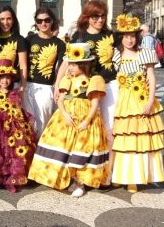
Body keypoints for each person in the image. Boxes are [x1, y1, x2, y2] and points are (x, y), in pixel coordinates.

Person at [28, 43, 109, 198]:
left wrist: (87, 120)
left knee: (82, 148)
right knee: (61, 145)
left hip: (86, 119)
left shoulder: (95, 80)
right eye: (69, 64)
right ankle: (59, 176)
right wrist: (64, 114)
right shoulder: (67, 79)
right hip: (66, 118)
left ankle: (80, 182)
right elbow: (60, 100)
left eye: (74, 64)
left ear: (84, 64)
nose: (70, 67)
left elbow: (95, 104)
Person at [65, 0, 117, 186]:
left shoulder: (111, 36)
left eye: (103, 16)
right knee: (85, 130)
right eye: (96, 16)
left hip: (110, 85)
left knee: (110, 131)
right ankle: (82, 173)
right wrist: (59, 85)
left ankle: (107, 174)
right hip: (85, 89)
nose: (100, 20)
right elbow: (68, 61)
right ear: (87, 17)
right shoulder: (78, 36)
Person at [111, 14, 164, 193]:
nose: (129, 40)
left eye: (132, 36)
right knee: (124, 138)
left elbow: (151, 76)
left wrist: (150, 100)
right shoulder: (116, 56)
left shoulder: (145, 53)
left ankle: (135, 177)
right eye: (125, 36)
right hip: (124, 100)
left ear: (137, 37)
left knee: (140, 138)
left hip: (140, 98)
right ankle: (121, 175)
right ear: (121, 38)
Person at [0, 59, 36, 193]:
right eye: (2, 78)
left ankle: (10, 176)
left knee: (11, 153)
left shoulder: (15, 94)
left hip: (12, 129)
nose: (5, 81)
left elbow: (19, 110)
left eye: (7, 78)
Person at [24, 6, 67, 138]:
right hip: (27, 86)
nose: (43, 23)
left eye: (47, 20)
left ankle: (40, 155)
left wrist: (57, 86)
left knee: (43, 125)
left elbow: (62, 66)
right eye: (39, 20)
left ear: (52, 21)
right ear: (36, 23)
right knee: (27, 124)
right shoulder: (29, 40)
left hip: (46, 88)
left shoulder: (59, 43)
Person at [0, 6, 27, 99]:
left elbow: (23, 65)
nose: (5, 22)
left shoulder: (19, 39)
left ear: (13, 20)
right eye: (2, 19)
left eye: (9, 19)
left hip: (12, 85)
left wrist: (22, 87)